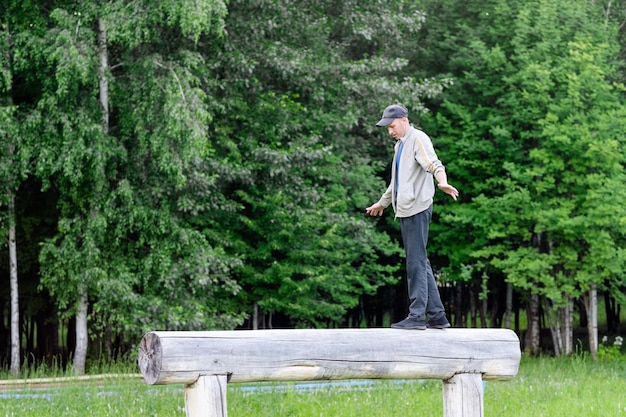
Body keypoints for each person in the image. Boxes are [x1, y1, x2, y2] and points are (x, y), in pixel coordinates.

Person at [366, 104, 459, 330]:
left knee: (415, 263)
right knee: (421, 261)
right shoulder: (400, 146)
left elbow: (434, 164)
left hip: (418, 208)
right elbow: (397, 182)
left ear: (404, 120)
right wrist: (383, 202)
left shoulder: (418, 139)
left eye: (392, 126)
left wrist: (442, 181)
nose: (390, 131)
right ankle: (438, 316)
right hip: (406, 210)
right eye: (387, 127)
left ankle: (417, 316)